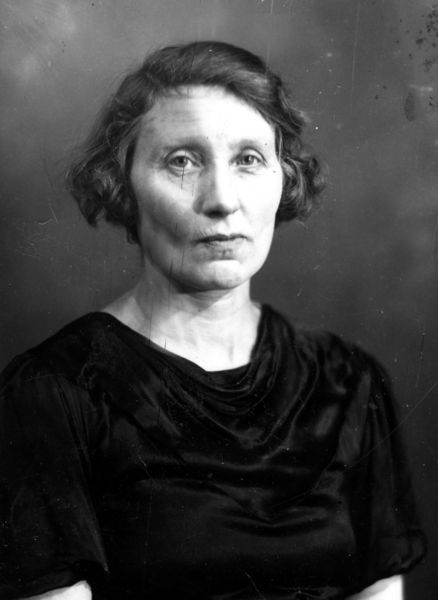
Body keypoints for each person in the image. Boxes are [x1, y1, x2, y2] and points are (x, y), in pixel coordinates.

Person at [0, 41, 426, 600]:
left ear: (285, 178)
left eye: (249, 159)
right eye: (182, 161)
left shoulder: (348, 381)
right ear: (120, 183)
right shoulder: (53, 393)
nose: (222, 200)